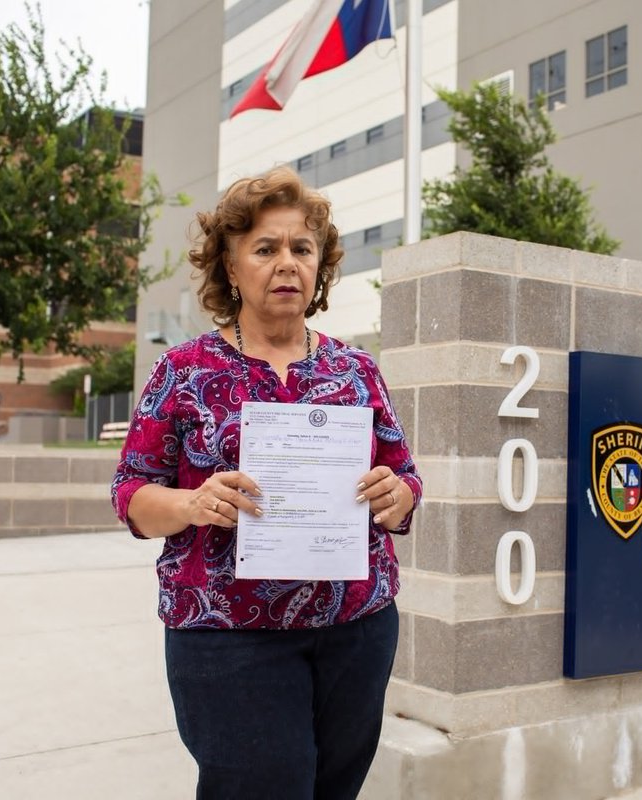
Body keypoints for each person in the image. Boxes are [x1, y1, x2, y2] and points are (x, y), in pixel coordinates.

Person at [111, 166, 421, 799]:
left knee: (335, 788)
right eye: (265, 248)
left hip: (355, 628)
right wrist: (193, 502)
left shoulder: (357, 369)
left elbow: (404, 477)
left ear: (320, 267)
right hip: (228, 636)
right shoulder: (184, 371)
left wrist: (399, 495)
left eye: (302, 249)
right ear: (231, 267)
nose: (287, 263)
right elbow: (133, 495)